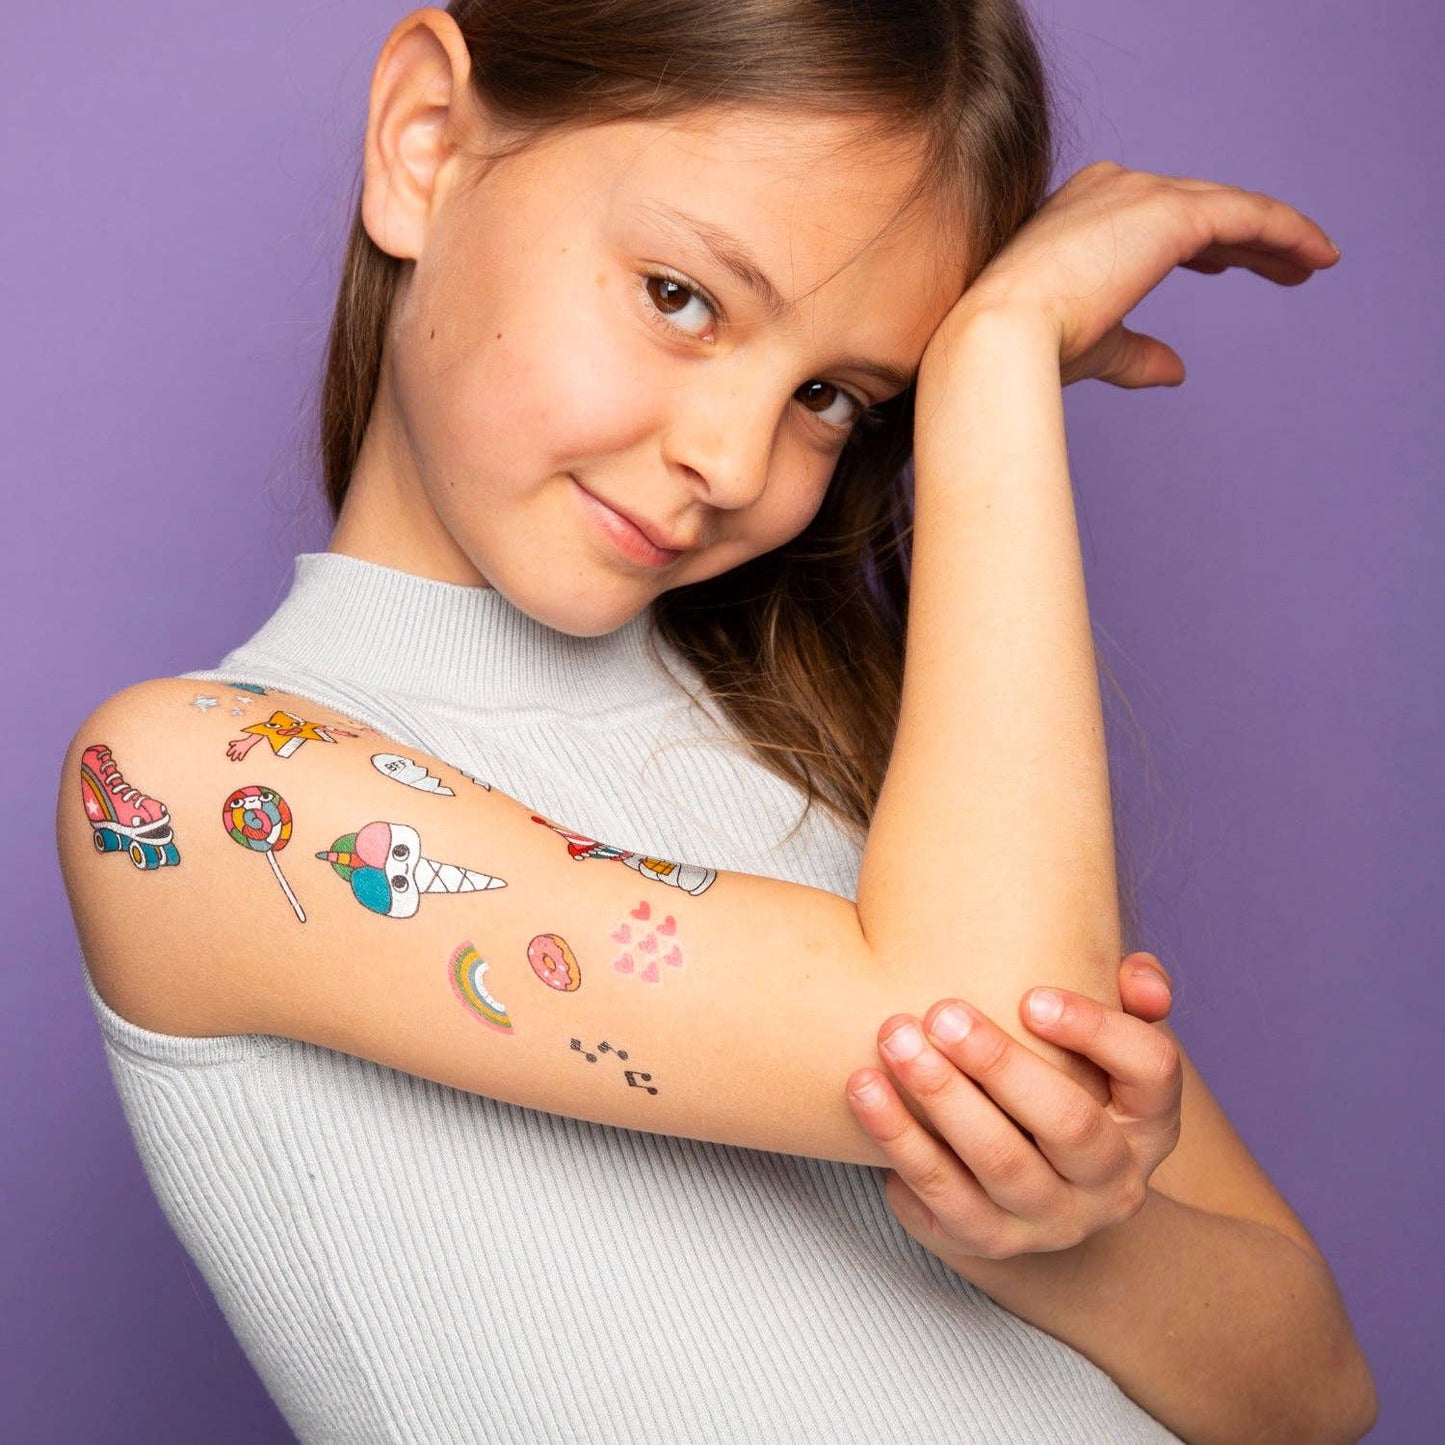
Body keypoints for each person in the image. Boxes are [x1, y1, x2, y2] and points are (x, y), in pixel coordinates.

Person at [55, 3, 1377, 1441]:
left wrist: (1051, 1232)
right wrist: (996, 366)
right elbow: (987, 1038)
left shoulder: (848, 757)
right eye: (682, 296)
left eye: (832, 396)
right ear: (425, 141)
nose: (735, 459)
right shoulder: (198, 792)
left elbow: (1312, 1394)